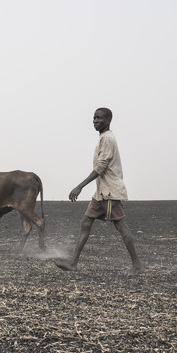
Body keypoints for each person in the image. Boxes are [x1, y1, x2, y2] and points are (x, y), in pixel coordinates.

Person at [55, 107, 142, 273]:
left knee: (121, 226)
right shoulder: (103, 138)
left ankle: (137, 265)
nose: (95, 121)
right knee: (86, 222)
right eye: (94, 118)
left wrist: (79, 186)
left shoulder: (107, 138)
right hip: (101, 192)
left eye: (99, 118)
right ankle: (73, 263)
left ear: (108, 120)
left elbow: (101, 167)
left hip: (110, 192)